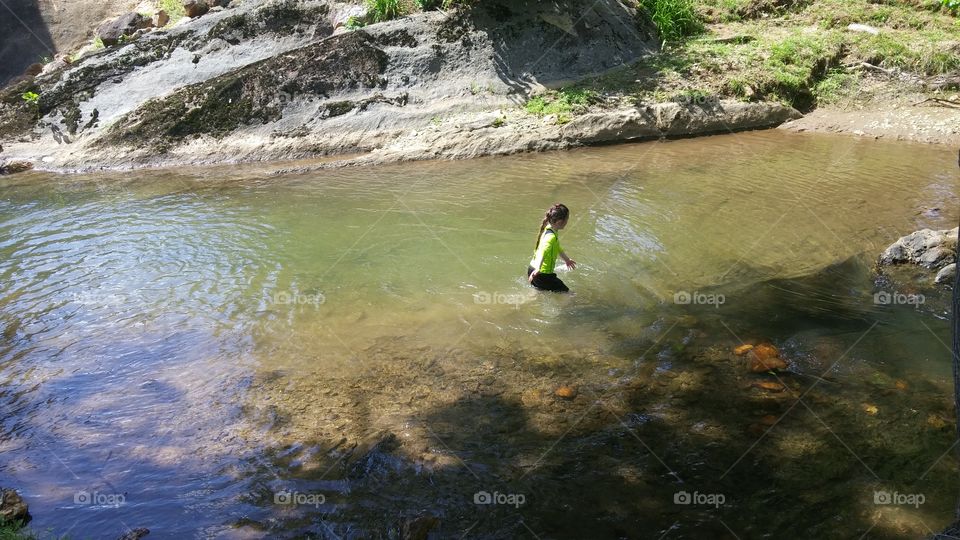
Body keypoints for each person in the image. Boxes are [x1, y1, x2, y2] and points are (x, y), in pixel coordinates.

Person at [527, 203, 576, 292]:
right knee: (568, 293)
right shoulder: (551, 237)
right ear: (560, 222)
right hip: (542, 274)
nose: (567, 222)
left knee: (539, 293)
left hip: (532, 269)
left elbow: (557, 247)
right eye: (567, 219)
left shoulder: (549, 228)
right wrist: (539, 268)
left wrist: (566, 260)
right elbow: (544, 251)